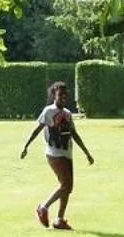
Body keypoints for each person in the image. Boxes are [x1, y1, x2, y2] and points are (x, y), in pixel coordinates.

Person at [20, 80, 94, 229]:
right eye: (60, 95)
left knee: (67, 187)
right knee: (66, 185)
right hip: (54, 153)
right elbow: (37, 129)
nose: (62, 99)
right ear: (54, 95)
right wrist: (26, 146)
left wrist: (87, 153)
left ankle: (59, 219)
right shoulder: (48, 111)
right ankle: (43, 207)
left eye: (65, 96)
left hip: (67, 152)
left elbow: (74, 134)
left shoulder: (67, 114)